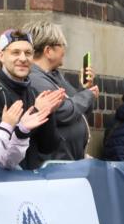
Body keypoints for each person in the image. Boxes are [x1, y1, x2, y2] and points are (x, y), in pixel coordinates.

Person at [0, 29, 65, 171]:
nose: (23, 58)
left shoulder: (33, 92)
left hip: (29, 180)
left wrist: (48, 112)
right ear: (1, 56)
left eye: (28, 53)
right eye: (15, 52)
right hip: (1, 182)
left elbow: (48, 147)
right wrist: (37, 111)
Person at [24, 20, 99, 161]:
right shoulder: (35, 79)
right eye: (61, 45)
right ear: (48, 51)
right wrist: (87, 95)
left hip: (68, 160)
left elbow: (79, 111)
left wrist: (85, 88)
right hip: (55, 164)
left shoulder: (54, 75)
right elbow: (63, 112)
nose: (64, 50)